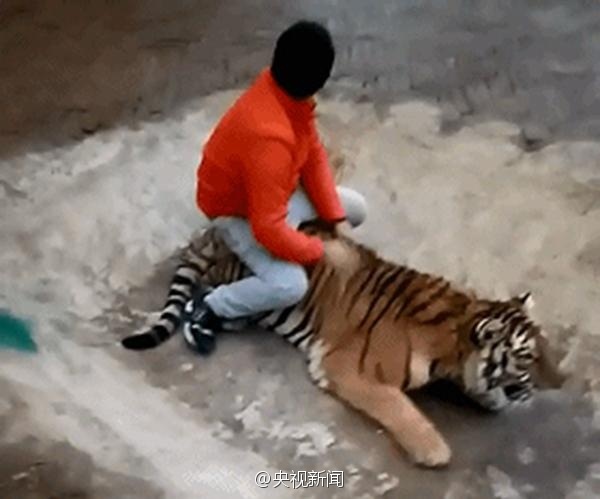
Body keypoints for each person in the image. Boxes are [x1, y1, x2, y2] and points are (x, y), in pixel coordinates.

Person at [185, 20, 367, 355]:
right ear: (321, 80)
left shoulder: (282, 93)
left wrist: (336, 219)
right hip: (234, 214)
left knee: (355, 207)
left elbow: (313, 155)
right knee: (290, 286)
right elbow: (267, 228)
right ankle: (210, 306)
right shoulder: (269, 137)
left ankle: (296, 240)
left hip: (271, 197)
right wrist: (322, 251)